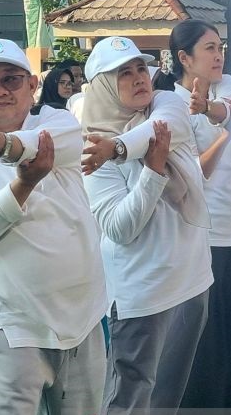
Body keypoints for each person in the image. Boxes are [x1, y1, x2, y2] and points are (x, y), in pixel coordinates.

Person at [0, 38, 108, 415]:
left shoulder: (59, 124)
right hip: (14, 329)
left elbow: (44, 145)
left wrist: (3, 146)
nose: (0, 90)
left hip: (83, 320)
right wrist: (23, 183)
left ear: (32, 86)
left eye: (11, 79)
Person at [80, 36, 213, 413]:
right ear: (104, 85)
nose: (139, 78)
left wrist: (118, 148)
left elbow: (164, 128)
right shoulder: (90, 148)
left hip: (191, 280)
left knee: (168, 396)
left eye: (141, 68)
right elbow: (120, 229)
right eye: (124, 73)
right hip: (143, 293)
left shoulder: (165, 104)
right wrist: (152, 171)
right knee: (129, 399)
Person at [168, 20, 231, 410]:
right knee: (208, 340)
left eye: (220, 47)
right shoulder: (170, 105)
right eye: (208, 49)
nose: (219, 55)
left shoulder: (227, 86)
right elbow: (193, 173)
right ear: (184, 58)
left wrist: (211, 109)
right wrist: (215, 124)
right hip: (208, 237)